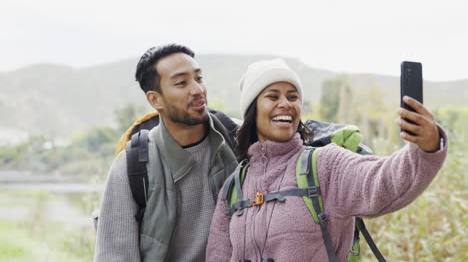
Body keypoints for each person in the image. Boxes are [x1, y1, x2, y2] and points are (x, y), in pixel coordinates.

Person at [206, 58, 448, 261]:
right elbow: (218, 255)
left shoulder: (325, 164)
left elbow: (384, 180)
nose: (286, 104)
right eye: (272, 96)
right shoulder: (235, 185)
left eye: (293, 97)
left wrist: (425, 147)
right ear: (252, 109)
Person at [94, 44, 238, 261]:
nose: (198, 90)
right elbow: (115, 255)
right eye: (181, 83)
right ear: (155, 99)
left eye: (199, 78)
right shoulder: (130, 167)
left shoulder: (239, 140)